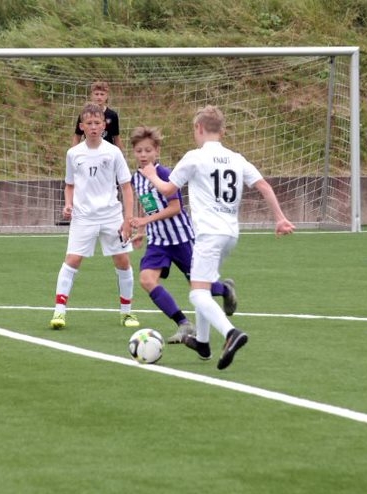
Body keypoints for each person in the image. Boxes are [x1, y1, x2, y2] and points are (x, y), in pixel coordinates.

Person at [139, 105, 295, 370]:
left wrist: (152, 175)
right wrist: (279, 218)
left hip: (209, 234)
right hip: (230, 234)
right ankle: (202, 343)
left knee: (197, 294)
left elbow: (167, 190)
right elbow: (263, 186)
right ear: (221, 131)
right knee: (205, 283)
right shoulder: (236, 158)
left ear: (198, 128)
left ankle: (231, 333)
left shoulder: (195, 157)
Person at [128, 125, 238, 344]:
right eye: (139, 151)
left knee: (199, 286)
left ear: (157, 151)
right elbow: (145, 204)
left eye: (148, 150)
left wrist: (145, 221)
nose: (143, 155)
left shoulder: (164, 174)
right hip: (158, 241)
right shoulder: (136, 178)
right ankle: (183, 323)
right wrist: (141, 231)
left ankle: (225, 289)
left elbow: (175, 208)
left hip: (181, 238)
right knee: (147, 280)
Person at [50, 102, 139, 329]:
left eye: (97, 123)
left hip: (111, 215)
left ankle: (127, 313)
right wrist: (68, 204)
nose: (93, 127)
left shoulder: (114, 152)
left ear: (104, 126)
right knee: (72, 260)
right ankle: (59, 312)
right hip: (83, 217)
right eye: (88, 123)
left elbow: (126, 187)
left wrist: (128, 219)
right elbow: (69, 185)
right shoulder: (73, 154)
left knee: (123, 261)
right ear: (81, 126)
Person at [72, 81, 124, 151]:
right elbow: (77, 136)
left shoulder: (112, 115)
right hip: (90, 150)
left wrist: (121, 154)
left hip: (107, 152)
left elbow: (116, 138)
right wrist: (74, 152)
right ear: (91, 95)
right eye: (96, 94)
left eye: (102, 94)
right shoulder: (84, 115)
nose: (99, 97)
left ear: (106, 96)